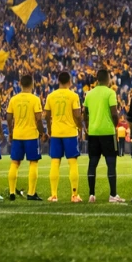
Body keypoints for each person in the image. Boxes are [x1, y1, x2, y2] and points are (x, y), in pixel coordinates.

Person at [83, 69, 123, 203]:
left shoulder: (89, 94)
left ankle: (91, 195)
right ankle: (113, 195)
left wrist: (88, 127)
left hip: (93, 132)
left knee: (92, 163)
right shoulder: (110, 93)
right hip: (108, 132)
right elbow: (114, 113)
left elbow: (85, 114)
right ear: (108, 79)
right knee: (111, 163)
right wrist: (114, 125)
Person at [45, 71, 84, 203]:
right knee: (72, 163)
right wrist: (80, 128)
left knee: (55, 162)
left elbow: (46, 115)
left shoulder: (51, 96)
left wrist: (49, 130)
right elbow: (77, 115)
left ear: (58, 81)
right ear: (69, 82)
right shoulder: (73, 96)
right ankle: (74, 195)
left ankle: (54, 195)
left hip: (56, 132)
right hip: (70, 133)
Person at [7, 74, 45, 201]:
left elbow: (9, 117)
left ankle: (12, 192)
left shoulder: (14, 99)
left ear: (20, 84)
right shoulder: (35, 99)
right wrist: (42, 133)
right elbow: (38, 119)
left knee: (15, 163)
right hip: (31, 135)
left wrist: (11, 132)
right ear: (32, 84)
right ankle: (31, 193)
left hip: (17, 134)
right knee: (33, 163)